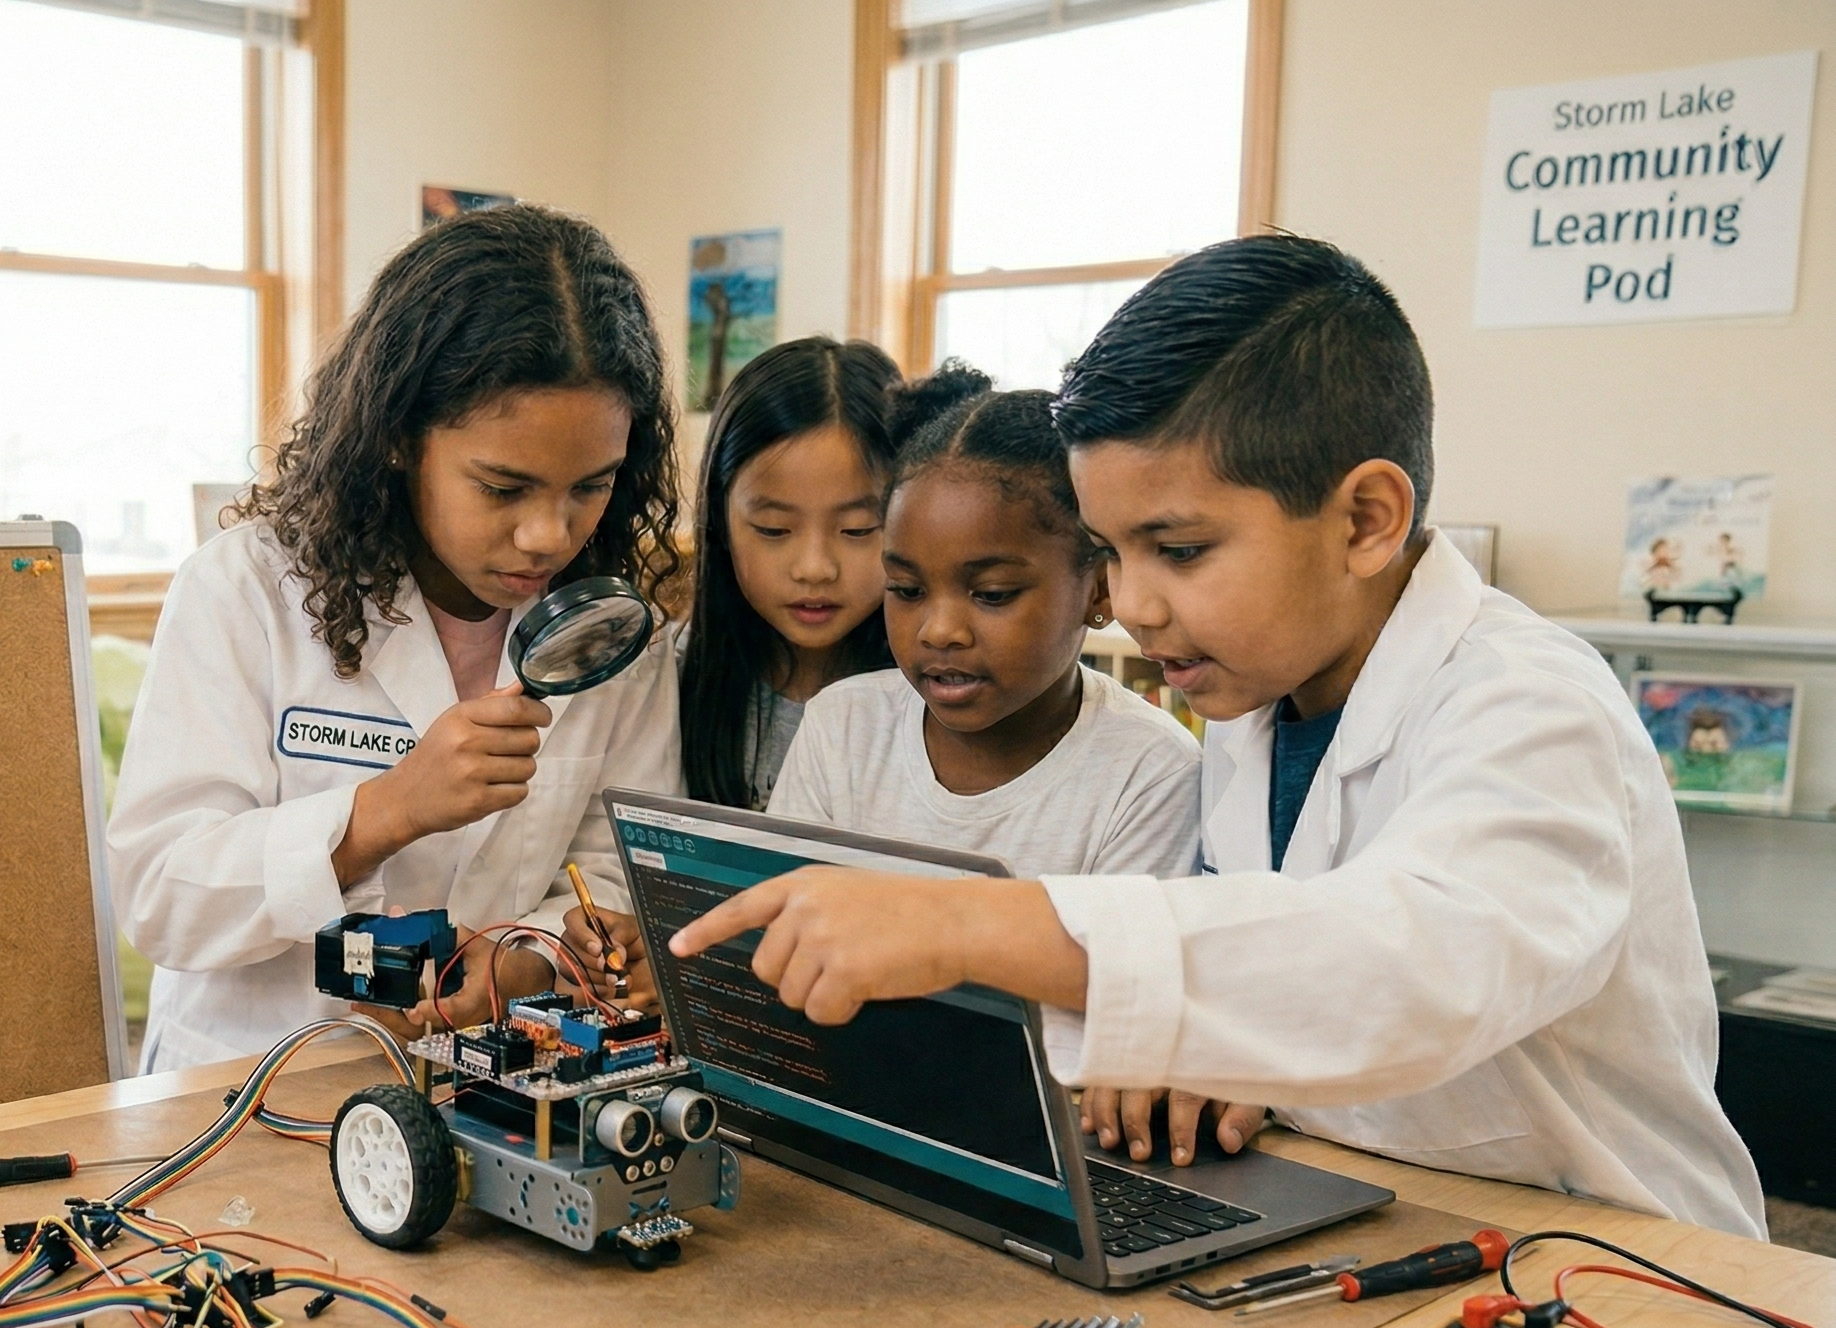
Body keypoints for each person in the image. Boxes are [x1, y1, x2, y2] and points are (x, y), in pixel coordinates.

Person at [667, 234, 1766, 1238]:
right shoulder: (1253, 710)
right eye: (1111, 551)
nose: (1133, 605)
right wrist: (1196, 1055)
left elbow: (1408, 966)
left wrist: (965, 921)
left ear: (1364, 519)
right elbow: (1262, 983)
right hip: (1363, 1208)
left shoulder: (1530, 705)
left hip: (1615, 1253)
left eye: (1177, 551)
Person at [111, 205, 683, 1073]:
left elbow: (612, 865)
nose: (547, 534)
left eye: (590, 486)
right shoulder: (248, 590)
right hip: (254, 1084)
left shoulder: (610, 632)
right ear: (396, 440)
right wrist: (386, 811)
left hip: (484, 1087)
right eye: (503, 488)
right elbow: (162, 895)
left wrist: (533, 959)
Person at [577, 364, 1199, 1015]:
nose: (941, 629)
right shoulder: (844, 724)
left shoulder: (1153, 775)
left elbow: (1135, 1001)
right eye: (905, 589)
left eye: (991, 594)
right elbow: (775, 954)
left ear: (1099, 590)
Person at [676, 336, 903, 814]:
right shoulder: (671, 682)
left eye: (858, 529)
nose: (815, 569)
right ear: (719, 520)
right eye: (774, 529)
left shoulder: (932, 698)